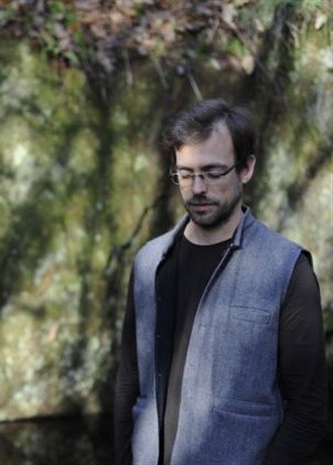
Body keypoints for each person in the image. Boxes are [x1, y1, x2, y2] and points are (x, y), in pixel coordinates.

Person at [114, 99, 328, 465]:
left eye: (213, 172)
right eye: (185, 173)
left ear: (246, 168)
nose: (197, 188)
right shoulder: (150, 261)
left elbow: (308, 408)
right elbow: (129, 379)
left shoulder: (287, 268)